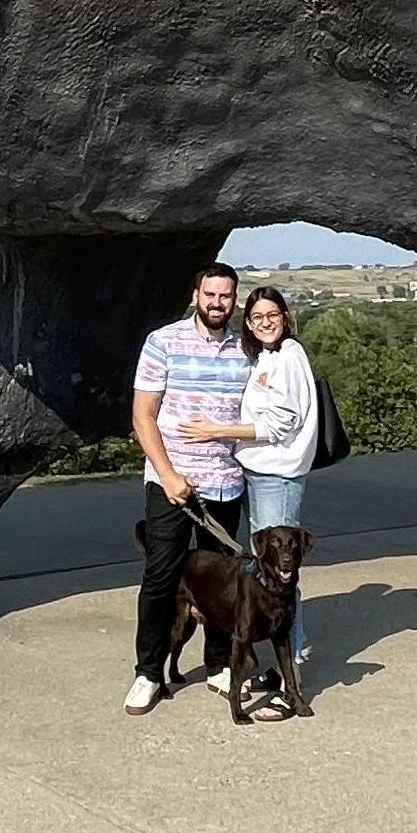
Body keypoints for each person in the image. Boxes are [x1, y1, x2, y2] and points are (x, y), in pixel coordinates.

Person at [124, 262, 252, 713]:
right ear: (196, 294)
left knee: (221, 580)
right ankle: (148, 673)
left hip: (226, 480)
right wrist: (168, 474)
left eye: (226, 296)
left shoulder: (245, 349)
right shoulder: (163, 342)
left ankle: (218, 663)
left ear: (234, 299)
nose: (218, 303)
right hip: (171, 481)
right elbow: (143, 416)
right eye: (211, 294)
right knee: (161, 578)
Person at [173, 285, 317, 683]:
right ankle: (273, 662)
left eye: (272, 315)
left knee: (283, 570)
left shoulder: (289, 356)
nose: (265, 323)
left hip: (276, 474)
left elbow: (278, 423)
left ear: (285, 317)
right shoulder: (266, 357)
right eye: (256, 318)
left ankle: (293, 672)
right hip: (259, 471)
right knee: (267, 571)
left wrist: (215, 430)